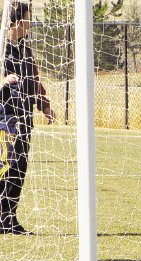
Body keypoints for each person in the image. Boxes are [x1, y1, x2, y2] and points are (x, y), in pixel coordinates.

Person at [0, 1, 55, 235]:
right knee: (6, 165)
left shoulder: (25, 48)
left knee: (19, 167)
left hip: (24, 116)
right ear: (15, 21)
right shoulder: (2, 48)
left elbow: (34, 80)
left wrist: (45, 105)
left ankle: (9, 219)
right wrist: (2, 82)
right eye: (27, 18)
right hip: (5, 116)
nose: (30, 23)